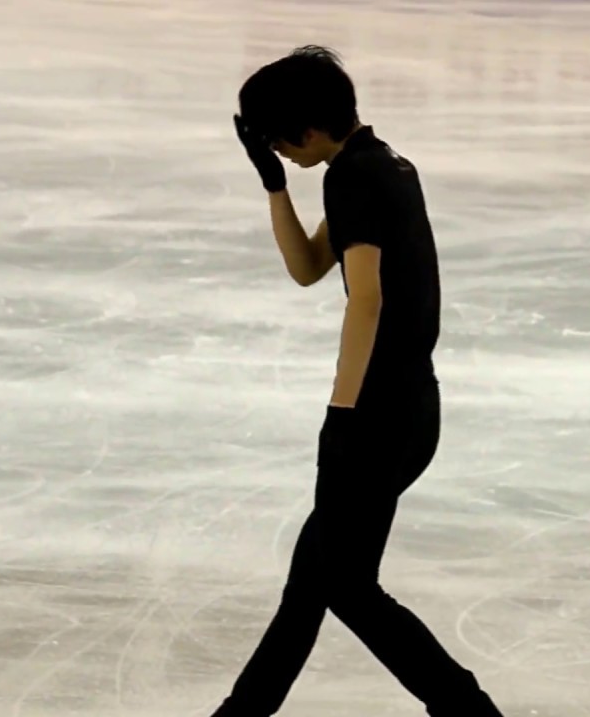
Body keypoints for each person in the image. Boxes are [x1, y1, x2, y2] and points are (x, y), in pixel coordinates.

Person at [212, 45, 505, 717]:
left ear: (309, 130)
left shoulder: (353, 180)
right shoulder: (378, 165)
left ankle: (466, 708)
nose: (281, 150)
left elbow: (364, 298)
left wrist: (342, 413)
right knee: (315, 581)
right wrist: (274, 187)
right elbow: (309, 266)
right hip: (408, 408)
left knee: (342, 586)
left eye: (281, 143)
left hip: (376, 418)